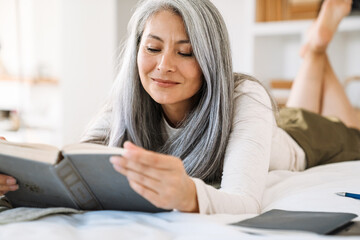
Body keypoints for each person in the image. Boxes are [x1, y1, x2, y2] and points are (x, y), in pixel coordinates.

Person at [0, 0, 359, 214]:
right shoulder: (128, 96)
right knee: (293, 105)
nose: (164, 66)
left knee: (349, 125)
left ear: (211, 60)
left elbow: (244, 202)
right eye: (153, 48)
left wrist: (189, 195)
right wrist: (20, 178)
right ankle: (313, 51)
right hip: (272, 124)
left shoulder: (246, 97)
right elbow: (75, 164)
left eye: (186, 53)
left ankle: (314, 49)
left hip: (305, 138)